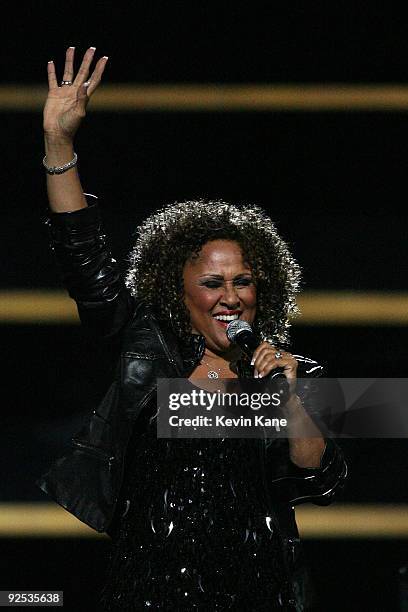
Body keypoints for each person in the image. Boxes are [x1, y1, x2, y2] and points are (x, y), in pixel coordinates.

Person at [37, 47, 347, 611]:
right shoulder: (145, 346)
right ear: (176, 292)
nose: (230, 296)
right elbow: (84, 259)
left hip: (257, 592)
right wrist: (60, 146)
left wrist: (293, 396)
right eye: (212, 283)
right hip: (144, 589)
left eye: (244, 281)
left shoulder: (290, 375)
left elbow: (318, 482)